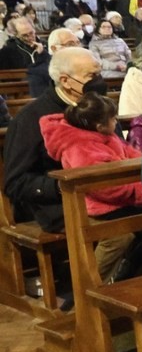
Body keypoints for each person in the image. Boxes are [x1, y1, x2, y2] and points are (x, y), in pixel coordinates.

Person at [39, 93, 142, 281]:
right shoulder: (80, 146)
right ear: (100, 125)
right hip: (100, 206)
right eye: (113, 119)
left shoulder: (104, 134)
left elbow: (130, 153)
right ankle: (91, 284)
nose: (116, 122)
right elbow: (104, 187)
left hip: (121, 201)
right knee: (120, 236)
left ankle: (132, 278)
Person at [4, 47, 106, 232]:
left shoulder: (100, 107)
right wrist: (62, 186)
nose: (98, 81)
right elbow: (16, 183)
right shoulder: (32, 118)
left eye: (99, 73)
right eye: (91, 76)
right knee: (117, 233)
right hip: (56, 204)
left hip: (104, 193)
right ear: (65, 81)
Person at [28, 29, 82, 98]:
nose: (77, 48)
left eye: (78, 43)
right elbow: (42, 101)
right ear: (54, 48)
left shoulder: (86, 66)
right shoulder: (39, 72)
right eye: (70, 44)